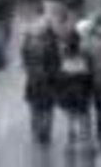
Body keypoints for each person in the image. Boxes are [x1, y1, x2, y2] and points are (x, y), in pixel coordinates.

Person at [21, 18, 62, 146]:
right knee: (48, 107)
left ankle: (37, 129)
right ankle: (45, 131)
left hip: (33, 78)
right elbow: (57, 63)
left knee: (35, 106)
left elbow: (24, 58)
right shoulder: (53, 44)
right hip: (48, 79)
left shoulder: (30, 44)